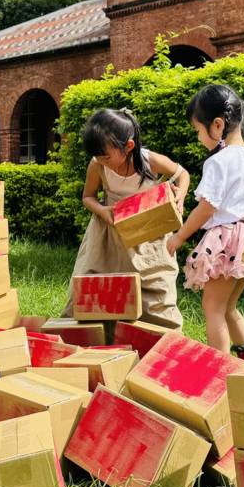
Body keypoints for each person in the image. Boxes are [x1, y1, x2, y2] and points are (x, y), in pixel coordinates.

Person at [167, 84, 244, 365]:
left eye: (199, 131)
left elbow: (206, 206)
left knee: (212, 306)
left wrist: (179, 237)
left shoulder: (219, 162)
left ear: (218, 124)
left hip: (227, 240)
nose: (199, 138)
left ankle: (222, 371)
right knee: (229, 306)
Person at [63, 108, 188, 328]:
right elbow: (88, 197)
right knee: (94, 284)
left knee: (155, 287)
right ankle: (96, 335)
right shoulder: (97, 165)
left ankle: (158, 336)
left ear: (129, 146)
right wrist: (102, 210)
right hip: (109, 235)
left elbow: (182, 174)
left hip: (148, 235)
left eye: (106, 157)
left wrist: (181, 195)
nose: (102, 161)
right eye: (98, 157)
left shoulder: (151, 161)